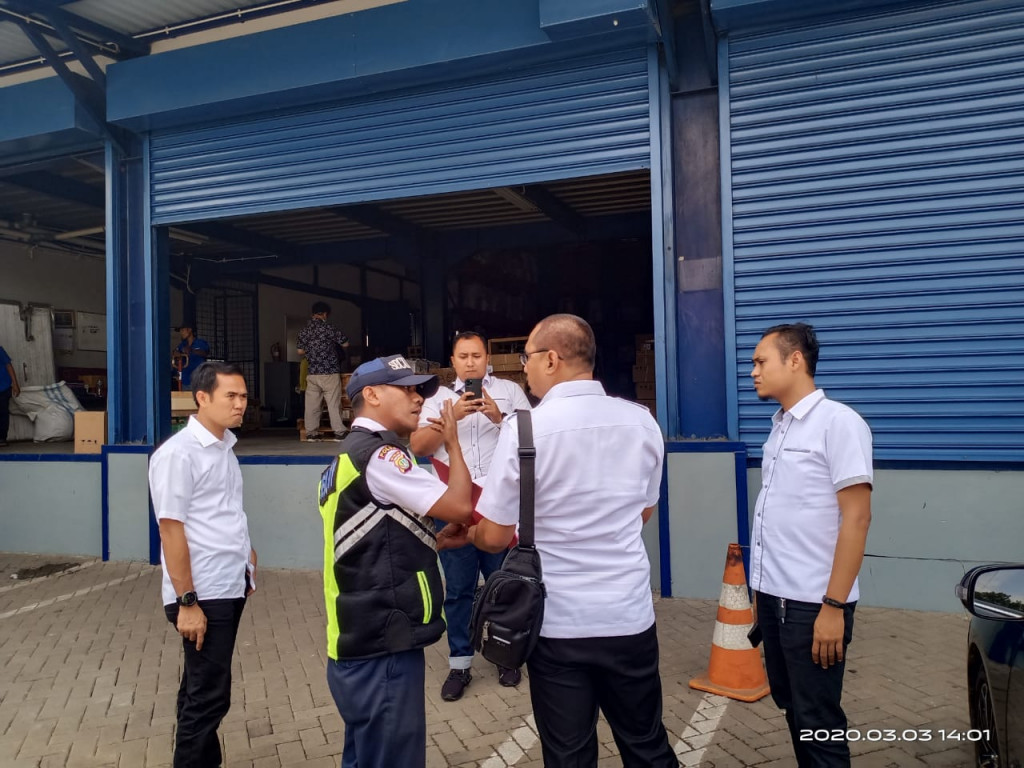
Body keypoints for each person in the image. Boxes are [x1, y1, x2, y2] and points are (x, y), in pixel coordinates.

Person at [470, 314, 678, 768]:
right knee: (646, 743)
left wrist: (465, 533)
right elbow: (644, 509)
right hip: (628, 617)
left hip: (558, 625)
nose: (522, 367)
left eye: (526, 356)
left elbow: (493, 535)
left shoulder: (524, 430)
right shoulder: (642, 422)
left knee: (569, 754)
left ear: (551, 358)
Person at [319, 354, 474, 768]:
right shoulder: (382, 456)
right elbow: (459, 505)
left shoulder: (350, 456)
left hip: (359, 636)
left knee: (366, 756)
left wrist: (430, 540)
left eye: (419, 390)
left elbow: (368, 539)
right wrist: (453, 442)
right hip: (383, 640)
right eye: (405, 389)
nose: (417, 398)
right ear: (370, 395)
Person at [748, 322, 873, 768]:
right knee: (794, 710)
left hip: (812, 604)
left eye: (761, 362)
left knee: (818, 722)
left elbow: (857, 517)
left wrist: (834, 606)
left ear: (795, 359)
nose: (754, 373)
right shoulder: (780, 427)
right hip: (774, 598)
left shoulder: (838, 423)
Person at [409, 330, 531, 701]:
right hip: (454, 507)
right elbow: (417, 447)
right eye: (463, 356)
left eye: (476, 355)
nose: (471, 362)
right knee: (459, 589)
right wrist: (453, 421)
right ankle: (460, 664)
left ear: (487, 356)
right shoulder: (438, 399)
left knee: (503, 585)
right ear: (453, 360)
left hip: (497, 507)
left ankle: (505, 655)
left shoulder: (510, 392)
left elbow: (531, 439)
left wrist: (499, 418)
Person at [148, 362, 258, 768]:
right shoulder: (178, 455)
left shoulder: (223, 446)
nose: (240, 404)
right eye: (231, 395)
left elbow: (221, 512)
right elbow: (171, 530)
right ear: (202, 398)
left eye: (243, 396)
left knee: (200, 690)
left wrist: (247, 553)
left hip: (228, 584)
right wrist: (187, 601)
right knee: (208, 697)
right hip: (203, 592)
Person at [297, 301, 350, 441]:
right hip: (329, 371)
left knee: (312, 405)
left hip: (312, 372)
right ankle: (339, 432)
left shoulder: (304, 331)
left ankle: (311, 434)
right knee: (333, 403)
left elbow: (300, 351)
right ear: (325, 314)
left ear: (312, 314)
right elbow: (345, 343)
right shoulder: (329, 328)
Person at [0, 345, 20, 447]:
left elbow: (8, 366)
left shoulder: (0, 350)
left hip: (3, 387)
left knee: (3, 413)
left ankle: (2, 438)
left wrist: (15, 384)